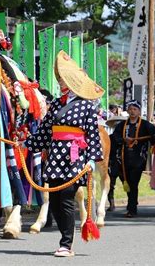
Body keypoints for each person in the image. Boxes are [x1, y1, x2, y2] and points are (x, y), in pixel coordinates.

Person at [24, 51, 104, 257]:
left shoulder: (87, 106)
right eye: (59, 79)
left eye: (63, 79)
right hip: (55, 156)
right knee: (55, 201)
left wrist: (92, 161)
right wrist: (25, 143)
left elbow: (93, 134)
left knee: (67, 198)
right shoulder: (56, 105)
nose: (60, 82)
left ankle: (66, 244)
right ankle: (65, 236)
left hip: (75, 157)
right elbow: (44, 133)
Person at [110, 100, 155, 217]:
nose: (132, 111)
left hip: (138, 159)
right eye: (130, 109)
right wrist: (123, 140)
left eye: (135, 109)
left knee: (133, 182)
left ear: (139, 111)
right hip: (123, 158)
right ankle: (132, 202)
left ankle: (132, 209)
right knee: (127, 182)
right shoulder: (122, 125)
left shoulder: (146, 125)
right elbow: (114, 137)